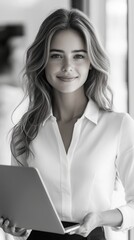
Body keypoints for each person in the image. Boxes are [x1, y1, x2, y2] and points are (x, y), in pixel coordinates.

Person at [0, 8, 134, 240]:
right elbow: (23, 218)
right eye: (56, 55)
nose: (67, 67)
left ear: (91, 62)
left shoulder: (118, 125)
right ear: (43, 60)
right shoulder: (25, 131)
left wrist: (100, 218)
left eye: (78, 56)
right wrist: (17, 227)